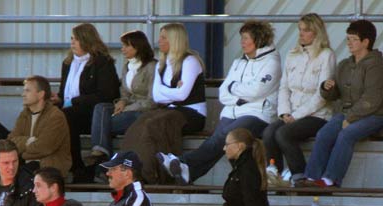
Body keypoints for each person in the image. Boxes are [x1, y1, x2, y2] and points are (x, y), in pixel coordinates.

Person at [158, 20, 281, 186]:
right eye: (241, 38)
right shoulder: (238, 62)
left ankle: (184, 162)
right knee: (217, 139)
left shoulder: (272, 62)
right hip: (232, 112)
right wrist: (239, 97)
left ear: (258, 39)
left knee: (225, 137)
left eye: (246, 38)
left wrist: (233, 87)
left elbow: (256, 91)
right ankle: (188, 172)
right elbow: (223, 93)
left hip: (258, 114)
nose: (242, 42)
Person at [298, 19, 383, 188]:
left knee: (346, 134)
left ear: (366, 42)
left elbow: (372, 99)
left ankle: (330, 180)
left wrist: (350, 118)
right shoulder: (344, 64)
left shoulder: (376, 65)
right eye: (348, 38)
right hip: (346, 114)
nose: (349, 43)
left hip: (374, 116)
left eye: (354, 39)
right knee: (324, 134)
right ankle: (312, 178)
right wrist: (327, 88)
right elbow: (334, 95)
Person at [122, 23, 207, 184]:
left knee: (153, 125)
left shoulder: (190, 61)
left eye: (163, 38)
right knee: (138, 124)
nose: (159, 41)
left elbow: (182, 96)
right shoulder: (162, 63)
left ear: (174, 40)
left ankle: (150, 174)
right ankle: (129, 169)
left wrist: (167, 92)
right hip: (169, 110)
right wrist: (174, 91)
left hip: (192, 113)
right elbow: (156, 96)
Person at [262, 13, 335, 186]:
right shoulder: (292, 54)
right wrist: (285, 112)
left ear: (317, 33)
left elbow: (322, 95)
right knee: (268, 132)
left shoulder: (326, 55)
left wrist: (296, 115)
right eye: (300, 29)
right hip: (292, 113)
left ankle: (299, 177)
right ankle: (275, 174)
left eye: (306, 30)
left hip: (317, 115)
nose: (301, 34)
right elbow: (284, 87)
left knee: (283, 134)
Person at [51, 23, 120, 183]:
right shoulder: (68, 63)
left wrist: (74, 101)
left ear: (86, 40)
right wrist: (58, 99)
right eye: (71, 39)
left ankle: (77, 167)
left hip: (93, 114)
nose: (72, 43)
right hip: (70, 109)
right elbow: (64, 93)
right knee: (53, 114)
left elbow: (107, 94)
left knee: (66, 116)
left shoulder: (102, 62)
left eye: (76, 39)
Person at [89, 30, 156, 160]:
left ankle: (101, 154)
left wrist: (127, 108)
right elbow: (125, 93)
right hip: (129, 107)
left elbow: (152, 101)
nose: (122, 49)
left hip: (144, 111)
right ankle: (101, 150)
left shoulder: (151, 67)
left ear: (137, 46)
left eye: (126, 46)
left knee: (104, 123)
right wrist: (122, 101)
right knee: (101, 108)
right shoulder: (127, 66)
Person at [8, 76, 71, 177]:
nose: (23, 94)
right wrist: (29, 141)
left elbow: (44, 147)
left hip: (48, 170)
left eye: (27, 91)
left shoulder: (55, 116)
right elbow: (11, 141)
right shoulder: (24, 114)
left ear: (41, 94)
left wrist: (23, 154)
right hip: (27, 166)